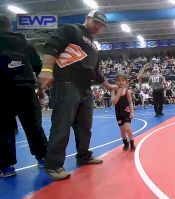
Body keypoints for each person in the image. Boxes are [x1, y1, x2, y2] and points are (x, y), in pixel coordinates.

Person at [37, 10, 116, 181]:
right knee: (62, 125)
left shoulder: (94, 46)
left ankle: (84, 156)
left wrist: (109, 86)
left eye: (102, 25)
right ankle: (53, 165)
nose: (98, 27)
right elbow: (52, 47)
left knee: (85, 126)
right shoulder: (71, 29)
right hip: (66, 83)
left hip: (85, 88)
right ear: (87, 18)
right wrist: (46, 69)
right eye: (96, 22)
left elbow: (95, 71)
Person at [0, 14, 48, 177]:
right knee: (33, 125)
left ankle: (6, 167)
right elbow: (39, 68)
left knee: (4, 129)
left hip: (2, 91)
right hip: (26, 89)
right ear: (11, 26)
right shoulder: (25, 43)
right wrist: (41, 89)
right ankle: (43, 156)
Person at [112, 74, 135, 151]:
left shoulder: (128, 92)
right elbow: (114, 102)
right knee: (122, 129)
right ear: (115, 82)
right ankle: (125, 143)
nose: (120, 82)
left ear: (126, 82)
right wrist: (118, 93)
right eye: (118, 80)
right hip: (118, 113)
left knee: (127, 128)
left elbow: (130, 103)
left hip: (126, 112)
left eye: (123, 80)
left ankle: (132, 142)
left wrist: (132, 112)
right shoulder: (113, 91)